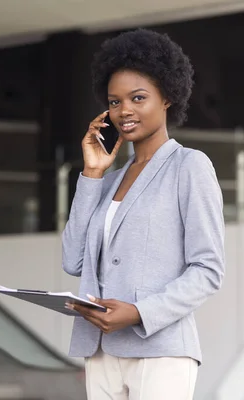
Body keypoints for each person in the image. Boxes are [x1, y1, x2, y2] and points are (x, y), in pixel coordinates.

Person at [61, 29, 225, 400]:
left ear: (167, 97)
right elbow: (73, 261)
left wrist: (137, 312)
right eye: (114, 102)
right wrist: (92, 174)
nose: (125, 111)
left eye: (138, 98)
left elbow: (208, 270)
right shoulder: (107, 181)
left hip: (160, 349)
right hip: (99, 350)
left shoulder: (190, 167)